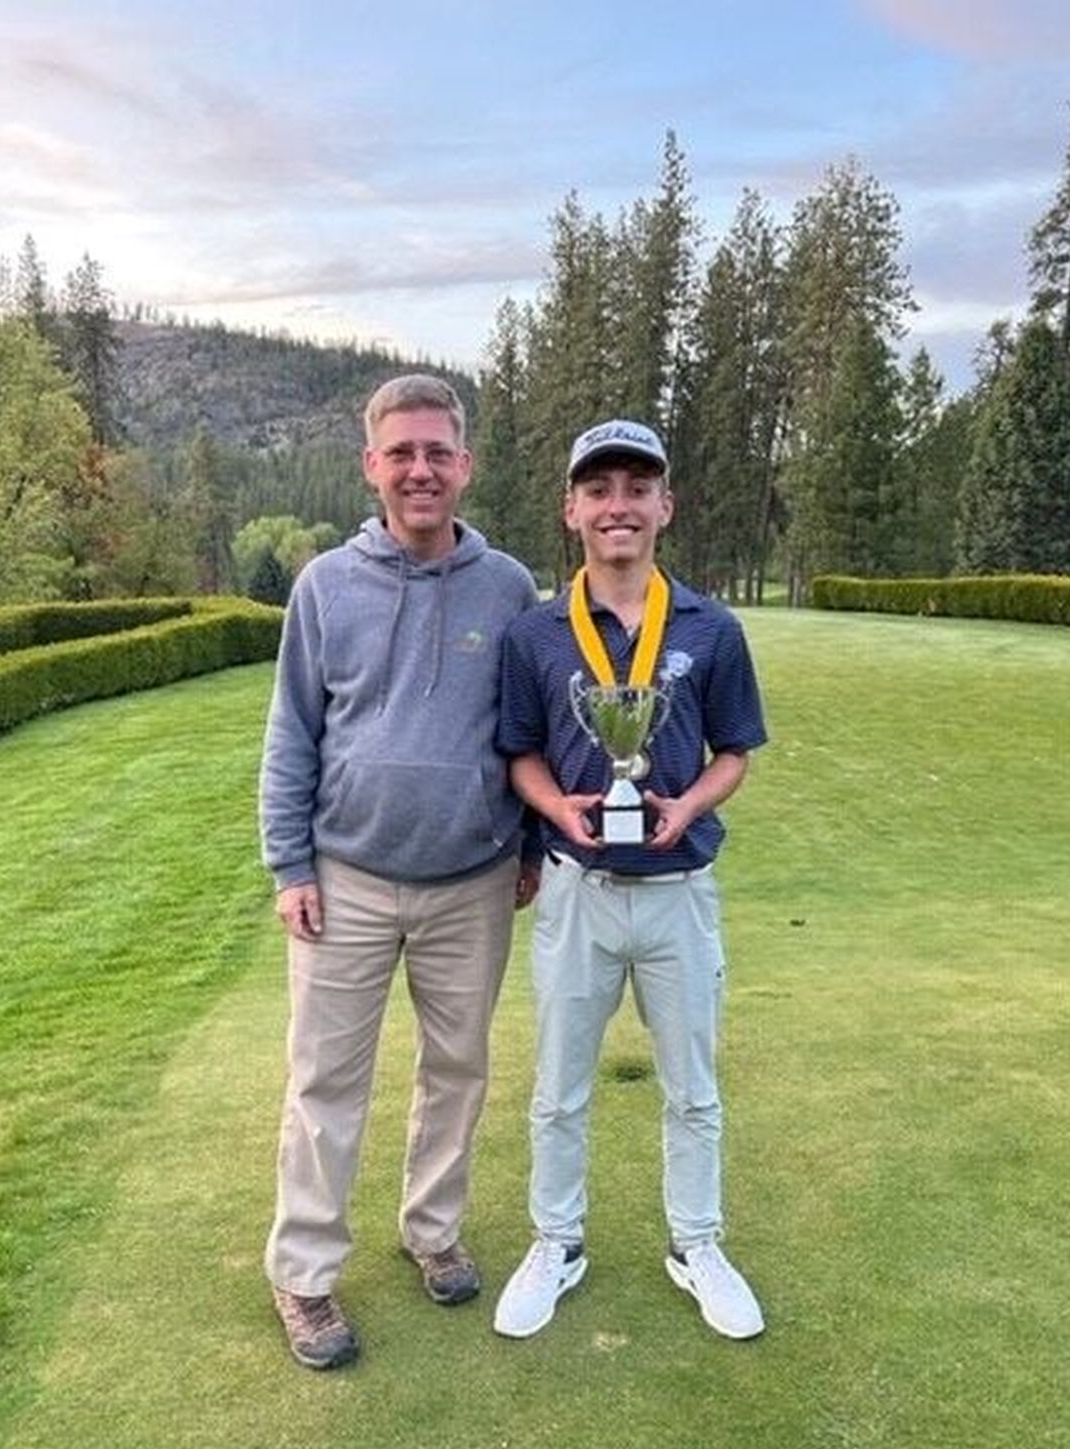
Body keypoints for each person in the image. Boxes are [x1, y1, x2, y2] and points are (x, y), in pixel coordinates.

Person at [259, 373, 539, 1370]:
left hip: (473, 879)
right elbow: (292, 729)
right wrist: (290, 861)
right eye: (401, 452)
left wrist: (532, 846)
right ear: (372, 465)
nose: (420, 470)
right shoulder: (326, 585)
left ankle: (433, 1230)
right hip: (347, 879)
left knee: (456, 1071)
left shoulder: (509, 588)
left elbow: (530, 729)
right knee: (326, 1079)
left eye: (438, 452)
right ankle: (304, 1270)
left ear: (465, 465)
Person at [492, 418, 767, 1342]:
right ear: (573, 510)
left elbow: (736, 753)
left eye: (637, 488)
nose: (620, 506)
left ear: (664, 505)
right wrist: (556, 810)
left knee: (693, 1088)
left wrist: (687, 804)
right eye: (599, 490)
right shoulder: (536, 631)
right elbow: (522, 755)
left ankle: (697, 1245)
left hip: (679, 890)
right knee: (558, 1087)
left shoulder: (711, 627)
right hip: (578, 890)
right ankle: (557, 1242)